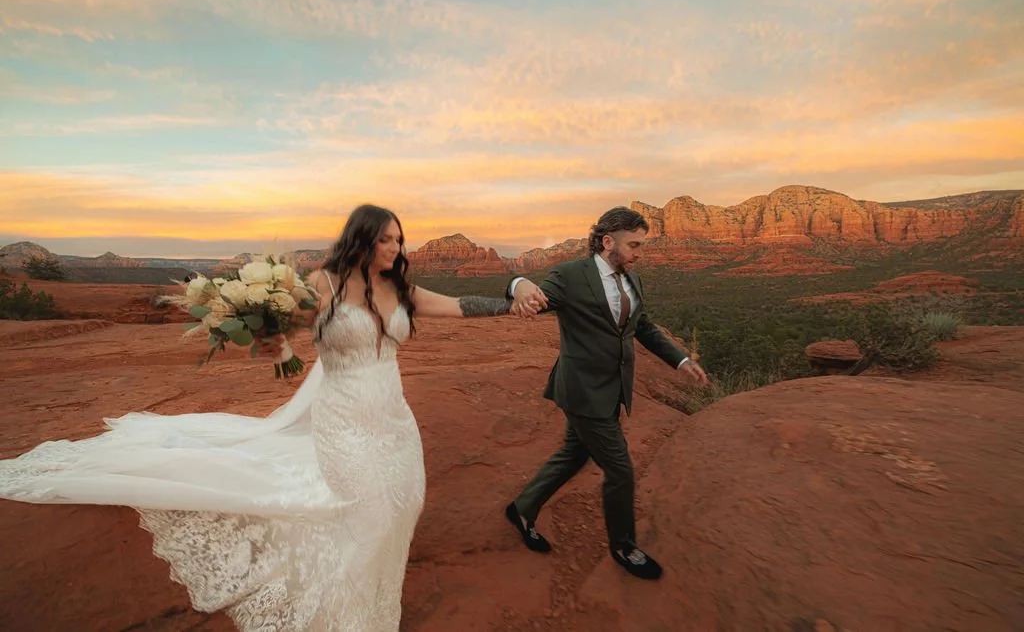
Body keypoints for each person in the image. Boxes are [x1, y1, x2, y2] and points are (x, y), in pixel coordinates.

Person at [0, 204, 529, 632]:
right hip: (342, 417)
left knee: (404, 499)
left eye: (399, 239)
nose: (394, 248)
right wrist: (277, 348)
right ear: (361, 239)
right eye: (385, 239)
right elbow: (281, 331)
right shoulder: (323, 283)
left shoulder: (402, 289)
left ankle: (374, 601)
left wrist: (514, 290)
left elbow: (461, 307)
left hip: (392, 415)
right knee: (364, 506)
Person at [503, 205, 709, 580]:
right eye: (633, 245)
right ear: (607, 241)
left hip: (611, 389)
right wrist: (518, 285)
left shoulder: (632, 280)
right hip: (583, 391)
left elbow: (642, 328)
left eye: (642, 245)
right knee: (621, 471)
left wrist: (680, 361)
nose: (638, 253)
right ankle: (624, 546)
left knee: (573, 453)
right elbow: (528, 291)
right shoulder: (571, 275)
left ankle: (522, 507)